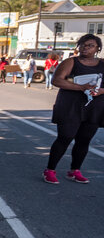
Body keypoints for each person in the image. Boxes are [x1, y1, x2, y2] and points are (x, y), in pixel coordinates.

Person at [43, 33, 104, 184]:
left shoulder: (103, 63)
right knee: (65, 137)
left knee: (84, 140)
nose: (85, 48)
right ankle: (50, 170)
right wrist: (81, 87)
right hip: (71, 106)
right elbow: (57, 80)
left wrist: (101, 91)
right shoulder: (71, 62)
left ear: (98, 48)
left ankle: (74, 170)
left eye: (90, 45)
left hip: (93, 107)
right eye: (82, 44)